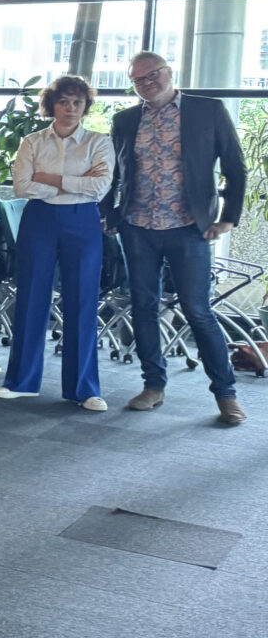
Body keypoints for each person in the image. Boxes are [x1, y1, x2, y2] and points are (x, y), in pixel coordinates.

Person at [105, 52, 248, 426]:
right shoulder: (125, 120)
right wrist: (109, 214)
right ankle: (153, 385)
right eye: (138, 79)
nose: (147, 82)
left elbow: (235, 167)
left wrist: (228, 219)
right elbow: (113, 172)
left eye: (153, 74)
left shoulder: (208, 110)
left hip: (189, 228)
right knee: (143, 306)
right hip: (138, 227)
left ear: (169, 72)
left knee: (198, 310)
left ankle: (226, 394)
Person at [0, 76, 113, 411]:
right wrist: (74, 184)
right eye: (63, 101)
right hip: (40, 219)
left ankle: (84, 388)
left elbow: (99, 187)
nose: (70, 108)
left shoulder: (99, 142)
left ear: (85, 106)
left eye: (77, 102)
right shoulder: (32, 141)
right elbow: (22, 186)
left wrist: (50, 180)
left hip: (83, 220)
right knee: (31, 297)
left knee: (82, 301)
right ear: (52, 105)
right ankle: (21, 382)